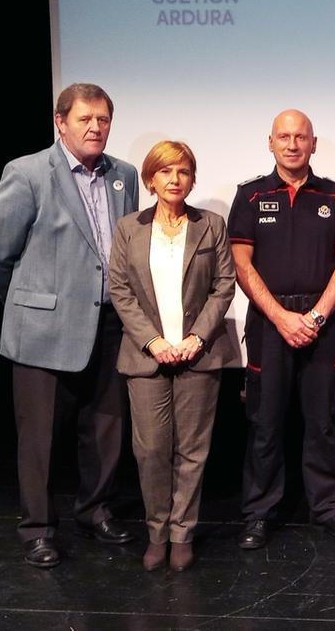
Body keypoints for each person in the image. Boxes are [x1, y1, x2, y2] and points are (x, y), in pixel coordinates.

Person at [0, 83, 139, 568]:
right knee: (40, 437)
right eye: (86, 119)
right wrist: (25, 304)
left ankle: (94, 510)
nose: (96, 128)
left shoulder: (124, 175)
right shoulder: (27, 173)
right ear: (60, 121)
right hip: (43, 330)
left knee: (106, 430)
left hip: (111, 324)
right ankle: (38, 528)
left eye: (104, 120)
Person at [227, 109, 335, 548]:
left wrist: (317, 317)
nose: (292, 144)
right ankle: (259, 512)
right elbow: (241, 264)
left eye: (300, 137)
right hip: (270, 323)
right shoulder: (249, 196)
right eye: (283, 137)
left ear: (313, 143)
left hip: (323, 326)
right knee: (265, 423)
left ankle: (327, 507)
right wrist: (282, 317)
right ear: (270, 142)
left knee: (322, 421)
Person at [108, 141, 238, 570]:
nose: (174, 179)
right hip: (147, 357)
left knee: (193, 449)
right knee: (150, 450)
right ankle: (157, 531)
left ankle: (182, 533)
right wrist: (153, 341)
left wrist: (197, 338)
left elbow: (223, 286)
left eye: (182, 171)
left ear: (192, 178)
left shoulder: (211, 226)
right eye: (165, 172)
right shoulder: (129, 228)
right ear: (150, 179)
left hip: (198, 355)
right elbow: (120, 290)